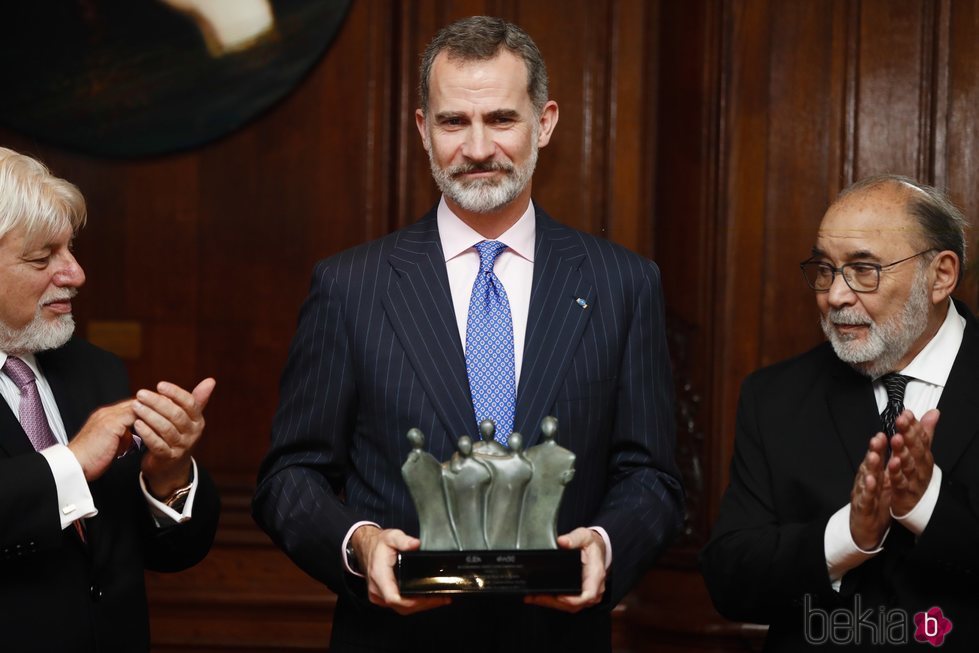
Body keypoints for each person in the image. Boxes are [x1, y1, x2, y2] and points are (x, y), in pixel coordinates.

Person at [253, 15, 682, 653]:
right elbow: (290, 476)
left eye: (502, 120)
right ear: (424, 128)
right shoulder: (351, 287)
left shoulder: (625, 284)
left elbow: (653, 477)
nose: (478, 148)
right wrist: (359, 544)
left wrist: (605, 545)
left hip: (557, 638)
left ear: (547, 121)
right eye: (454, 122)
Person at [701, 175, 979, 651]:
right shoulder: (775, 397)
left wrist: (927, 506)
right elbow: (730, 579)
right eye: (826, 270)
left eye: (864, 270)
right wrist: (844, 537)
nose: (835, 296)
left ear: (941, 275)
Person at [0, 146, 220, 652]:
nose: (75, 274)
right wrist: (71, 463)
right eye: (41, 258)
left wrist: (168, 474)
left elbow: (166, 556)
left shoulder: (94, 369)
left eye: (70, 249)